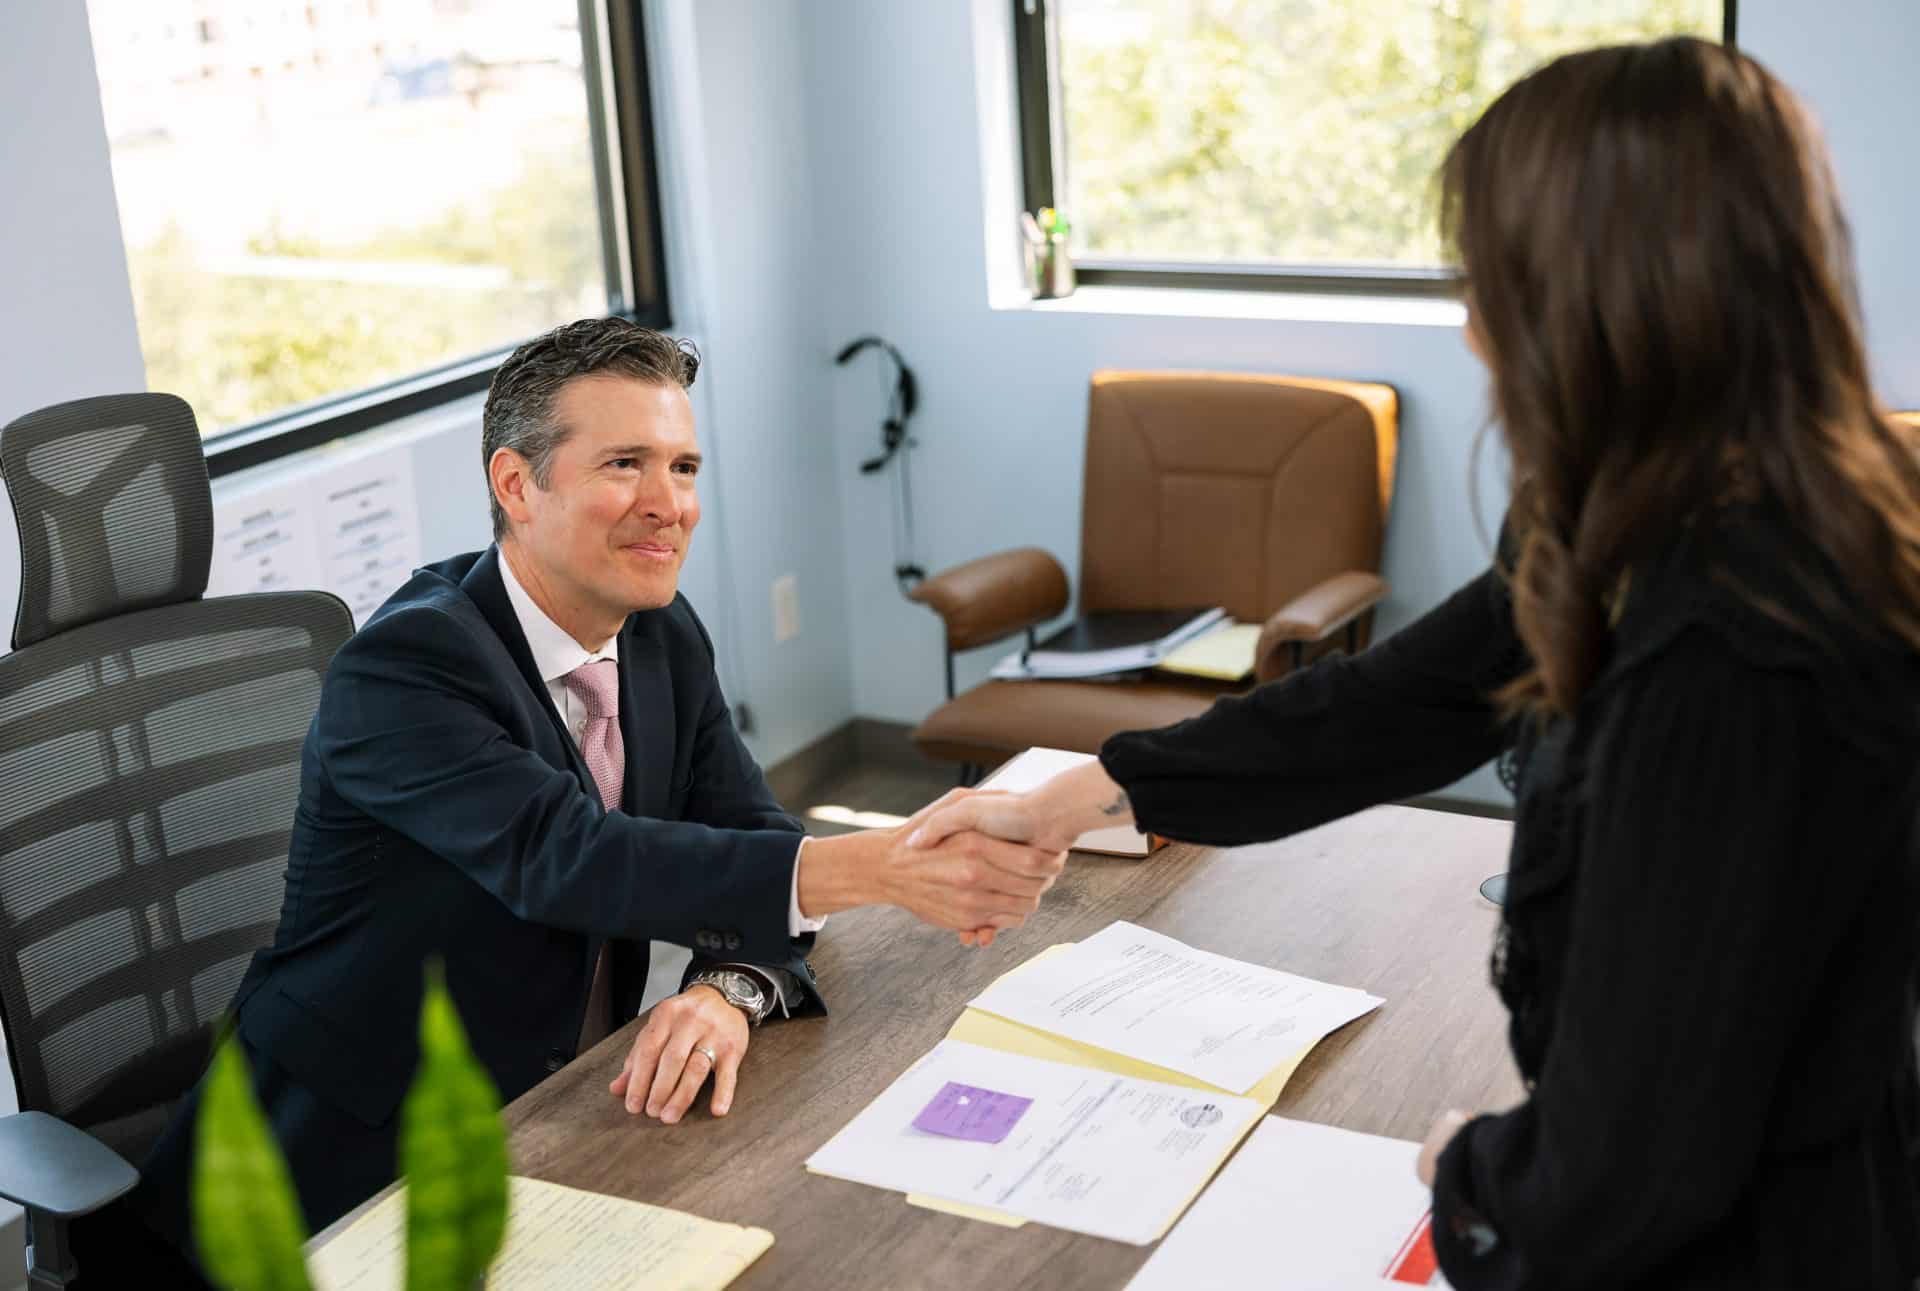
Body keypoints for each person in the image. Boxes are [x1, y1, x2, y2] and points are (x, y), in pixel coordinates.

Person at [914, 37, 1920, 1289]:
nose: (1476, 330)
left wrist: (1474, 1174)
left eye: (1490, 280)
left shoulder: (1747, 643)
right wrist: (1102, 782)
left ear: (1598, 295)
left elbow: (1639, 1160)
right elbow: (1404, 697)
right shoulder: (1621, 517)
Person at [123, 317, 1066, 1265]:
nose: (670, 504)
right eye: (626, 464)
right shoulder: (405, 668)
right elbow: (567, 857)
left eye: (685, 467)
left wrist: (726, 990)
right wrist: (887, 863)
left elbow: (750, 834)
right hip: (341, 1169)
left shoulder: (657, 633)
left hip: (560, 1118)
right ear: (515, 485)